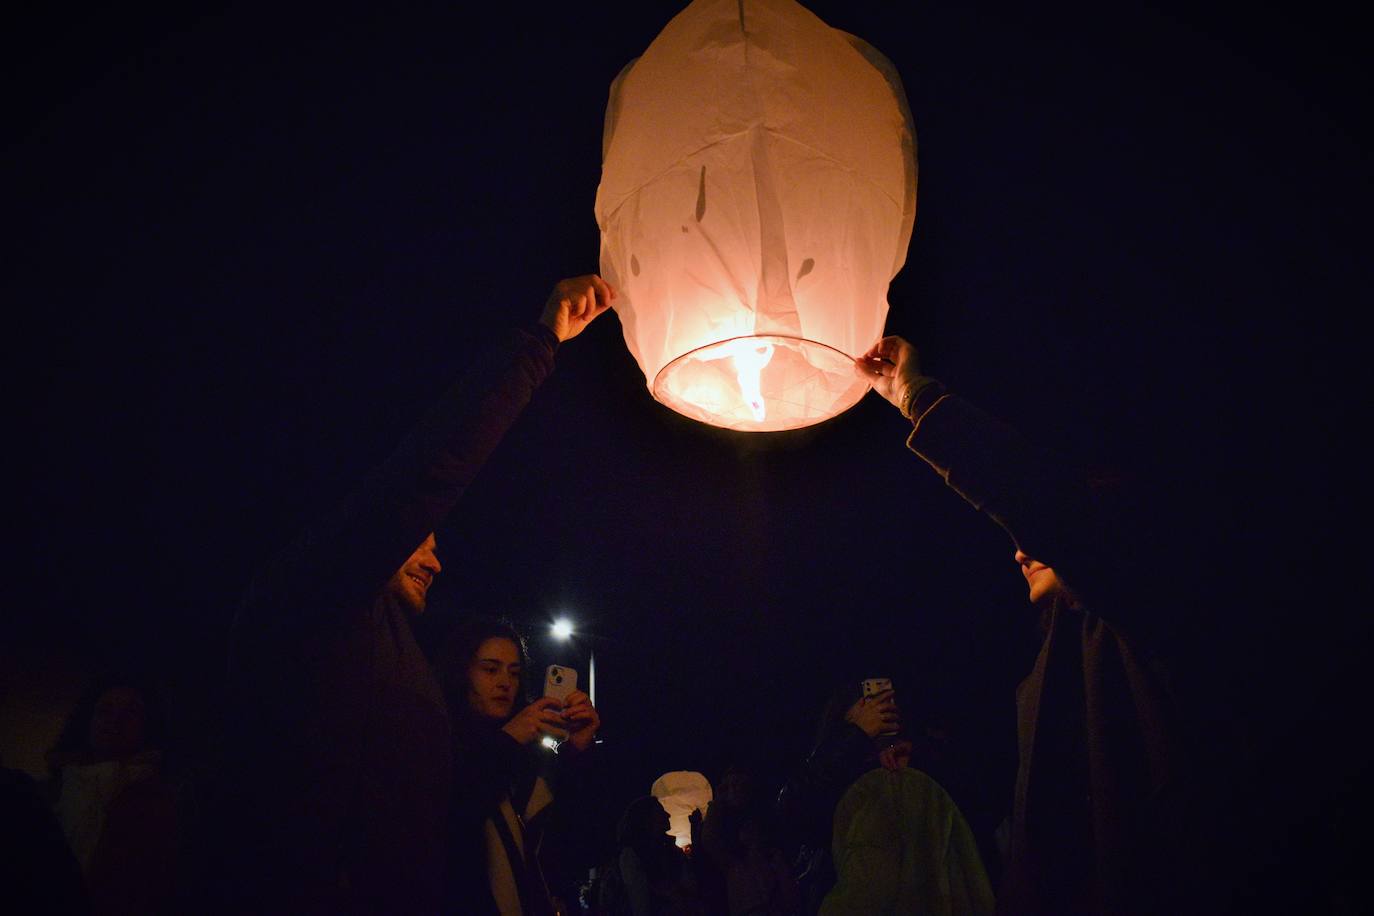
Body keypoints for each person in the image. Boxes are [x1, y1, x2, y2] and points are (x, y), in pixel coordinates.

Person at [212, 276, 614, 912]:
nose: (436, 556)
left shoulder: (396, 651)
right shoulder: (313, 597)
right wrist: (540, 342)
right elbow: (429, 470)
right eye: (419, 537)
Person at [856, 336, 1194, 915]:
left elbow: (1045, 503)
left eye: (1030, 532)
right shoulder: (1048, 659)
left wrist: (914, 395)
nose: (1018, 551)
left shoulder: (1147, 613)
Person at [433, 616, 601, 915]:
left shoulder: (529, 756)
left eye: (514, 672)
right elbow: (450, 821)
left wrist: (578, 751)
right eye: (490, 669)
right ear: (460, 672)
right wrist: (508, 740)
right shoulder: (436, 739)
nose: (504, 683)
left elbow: (573, 842)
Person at [777, 681, 990, 915]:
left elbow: (980, 805)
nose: (881, 706)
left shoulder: (916, 762)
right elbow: (792, 812)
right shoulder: (834, 767)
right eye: (867, 700)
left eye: (886, 698)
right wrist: (855, 736)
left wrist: (919, 757)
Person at [47, 677, 178, 915]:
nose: (115, 721)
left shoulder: (160, 798)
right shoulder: (56, 787)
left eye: (131, 712)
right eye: (105, 711)